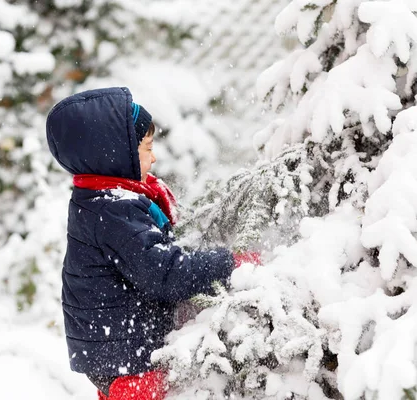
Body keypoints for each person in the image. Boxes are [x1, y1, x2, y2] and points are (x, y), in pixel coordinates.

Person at [46, 87, 258, 400]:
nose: (154, 156)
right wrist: (229, 263)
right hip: (130, 361)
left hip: (114, 353)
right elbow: (166, 274)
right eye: (147, 147)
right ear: (116, 154)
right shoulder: (114, 210)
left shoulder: (99, 198)